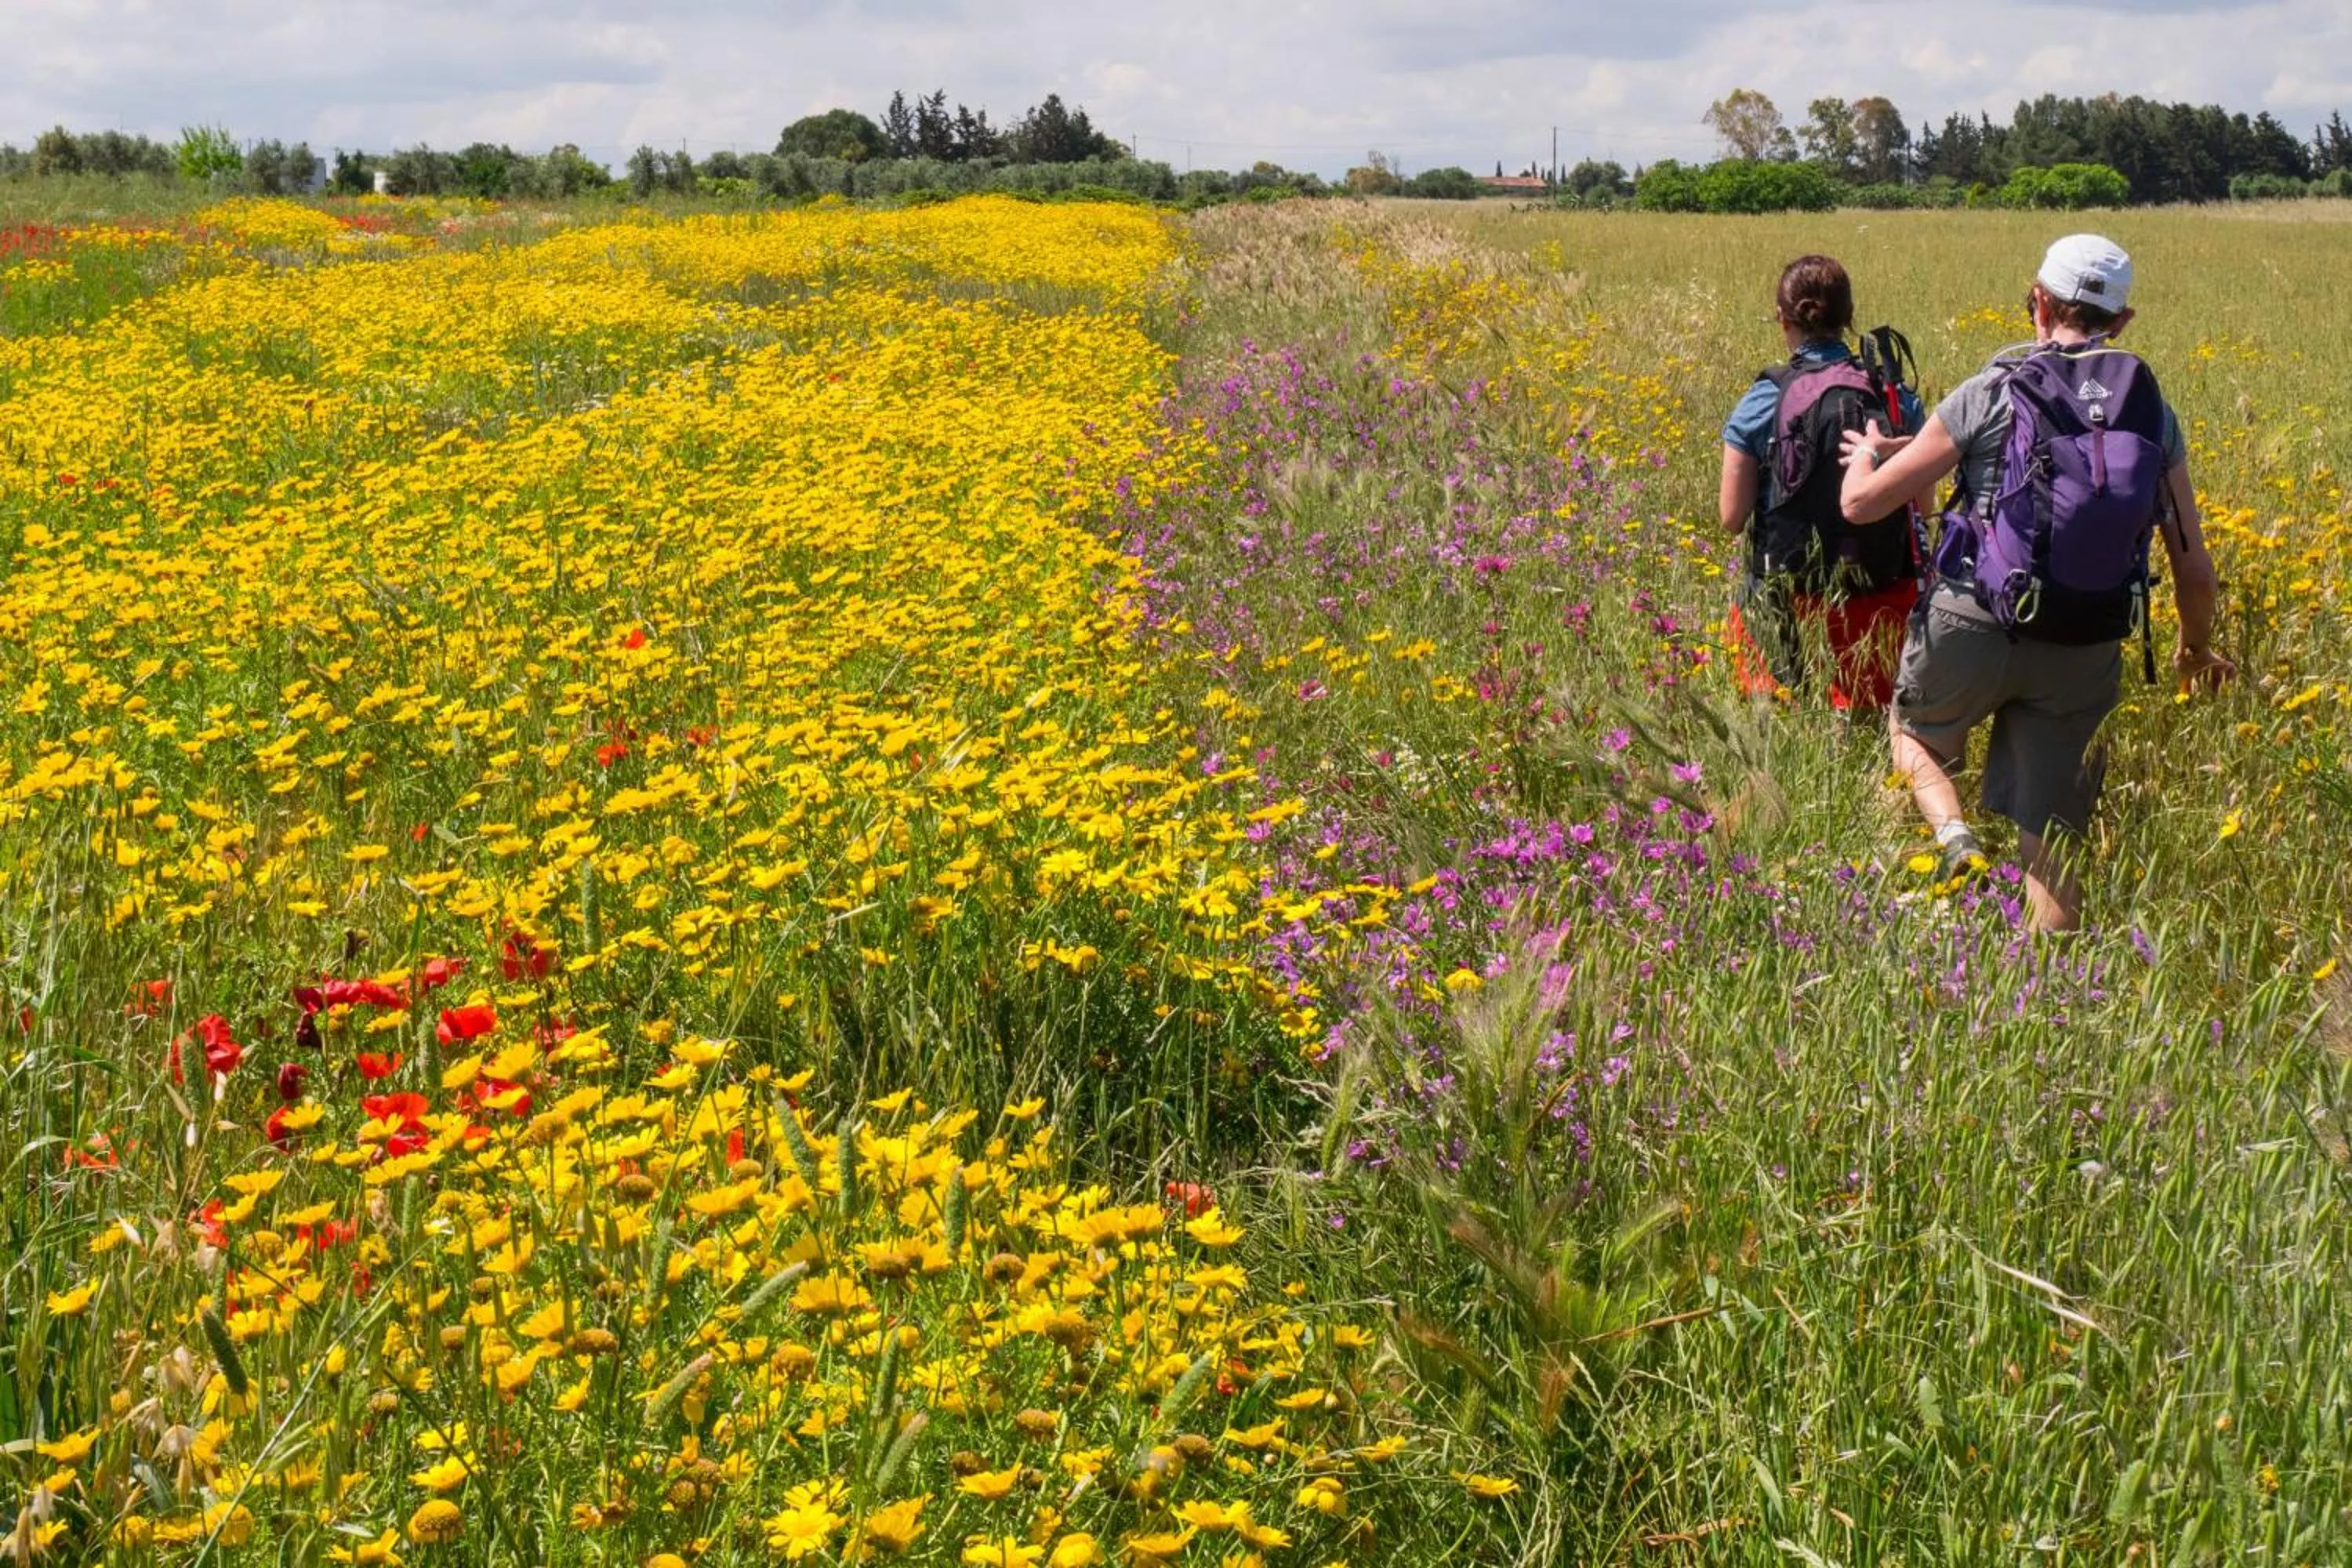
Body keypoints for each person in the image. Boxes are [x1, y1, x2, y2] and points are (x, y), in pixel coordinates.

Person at [1837, 234, 2234, 932]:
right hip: (2086, 640)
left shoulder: (1991, 389)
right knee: (2053, 834)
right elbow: (2193, 569)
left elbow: (1862, 505)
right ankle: (2048, 995)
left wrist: (1868, 453)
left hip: (1975, 617)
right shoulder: (2152, 414)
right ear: (2123, 322)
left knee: (1915, 735)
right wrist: (2195, 649)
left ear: (2040, 303)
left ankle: (1951, 838)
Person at [1719, 255, 1926, 712]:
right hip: (1877, 600)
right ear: (1849, 317)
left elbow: (1732, 518)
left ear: (1782, 318)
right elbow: (1922, 511)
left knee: (1779, 723)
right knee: (1870, 736)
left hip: (1783, 599)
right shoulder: (1895, 397)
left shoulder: (1763, 399)